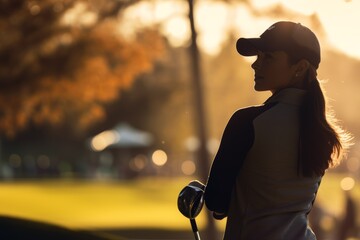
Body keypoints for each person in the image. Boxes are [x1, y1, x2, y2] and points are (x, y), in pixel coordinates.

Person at [203, 21, 352, 240]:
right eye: (258, 56)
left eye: (268, 57)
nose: (255, 65)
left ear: (300, 67)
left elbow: (216, 203)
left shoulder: (247, 122)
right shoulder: (323, 131)